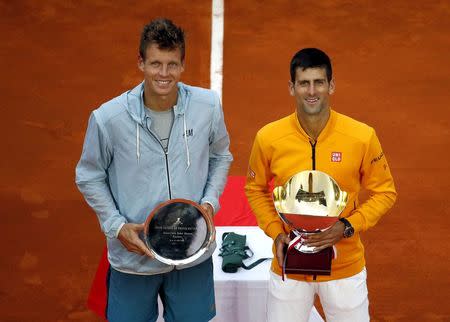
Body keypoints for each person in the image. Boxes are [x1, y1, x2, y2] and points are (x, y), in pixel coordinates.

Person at [76, 18, 232, 322]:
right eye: (155, 63)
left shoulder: (208, 106)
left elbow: (221, 156)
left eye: (172, 64)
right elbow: (89, 175)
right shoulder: (108, 118)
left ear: (183, 64)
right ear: (141, 62)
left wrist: (209, 204)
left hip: (192, 252)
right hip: (134, 258)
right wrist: (116, 226)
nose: (164, 74)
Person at [245, 48, 396, 322]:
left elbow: (385, 192)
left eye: (319, 82)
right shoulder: (268, 137)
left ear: (331, 85)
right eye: (304, 83)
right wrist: (276, 232)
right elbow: (254, 188)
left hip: (345, 266)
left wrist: (348, 226)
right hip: (289, 264)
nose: (311, 91)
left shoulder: (361, 137)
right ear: (292, 87)